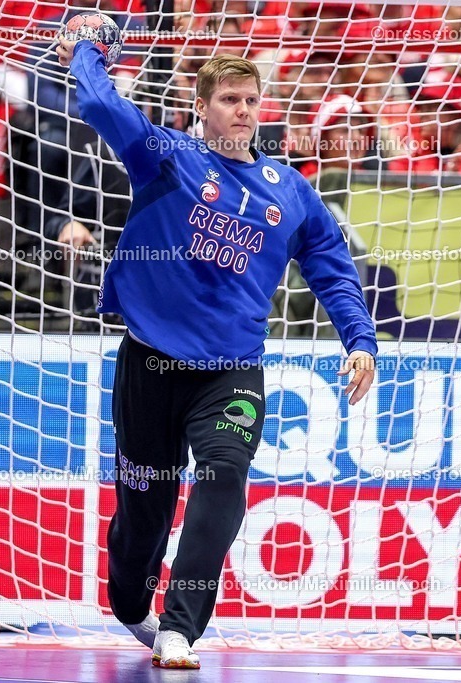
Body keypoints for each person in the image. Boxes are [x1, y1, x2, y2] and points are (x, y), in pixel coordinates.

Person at [56, 39, 377, 668]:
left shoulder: (291, 191)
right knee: (145, 513)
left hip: (230, 370)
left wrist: (359, 341)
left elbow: (333, 268)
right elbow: (98, 103)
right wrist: (89, 47)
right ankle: (132, 605)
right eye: (230, 99)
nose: (244, 110)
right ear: (200, 107)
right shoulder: (165, 157)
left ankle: (181, 626)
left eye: (252, 100)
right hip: (149, 362)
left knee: (224, 475)